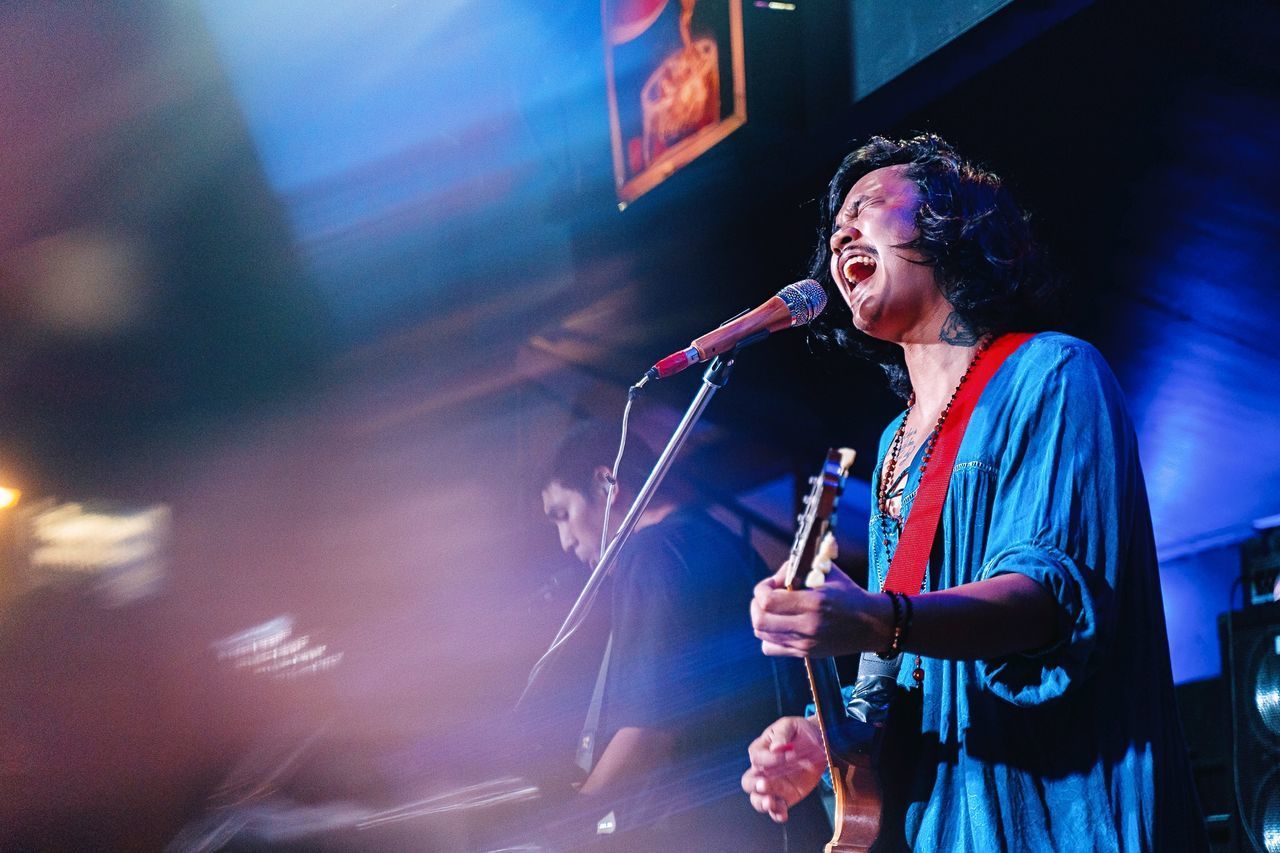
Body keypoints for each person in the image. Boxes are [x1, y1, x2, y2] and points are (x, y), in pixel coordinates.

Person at [741, 134, 1208, 851]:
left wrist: (875, 617)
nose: (841, 230)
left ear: (952, 223)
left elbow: (1047, 601)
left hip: (1067, 819)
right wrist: (824, 733)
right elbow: (896, 674)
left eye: (868, 204)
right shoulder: (896, 442)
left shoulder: (1053, 373)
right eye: (836, 224)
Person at [532, 420, 829, 851]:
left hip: (712, 833)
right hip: (768, 825)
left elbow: (649, 728)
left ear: (606, 483)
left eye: (563, 515)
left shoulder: (649, 553)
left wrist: (559, 831)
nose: (564, 541)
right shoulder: (714, 541)